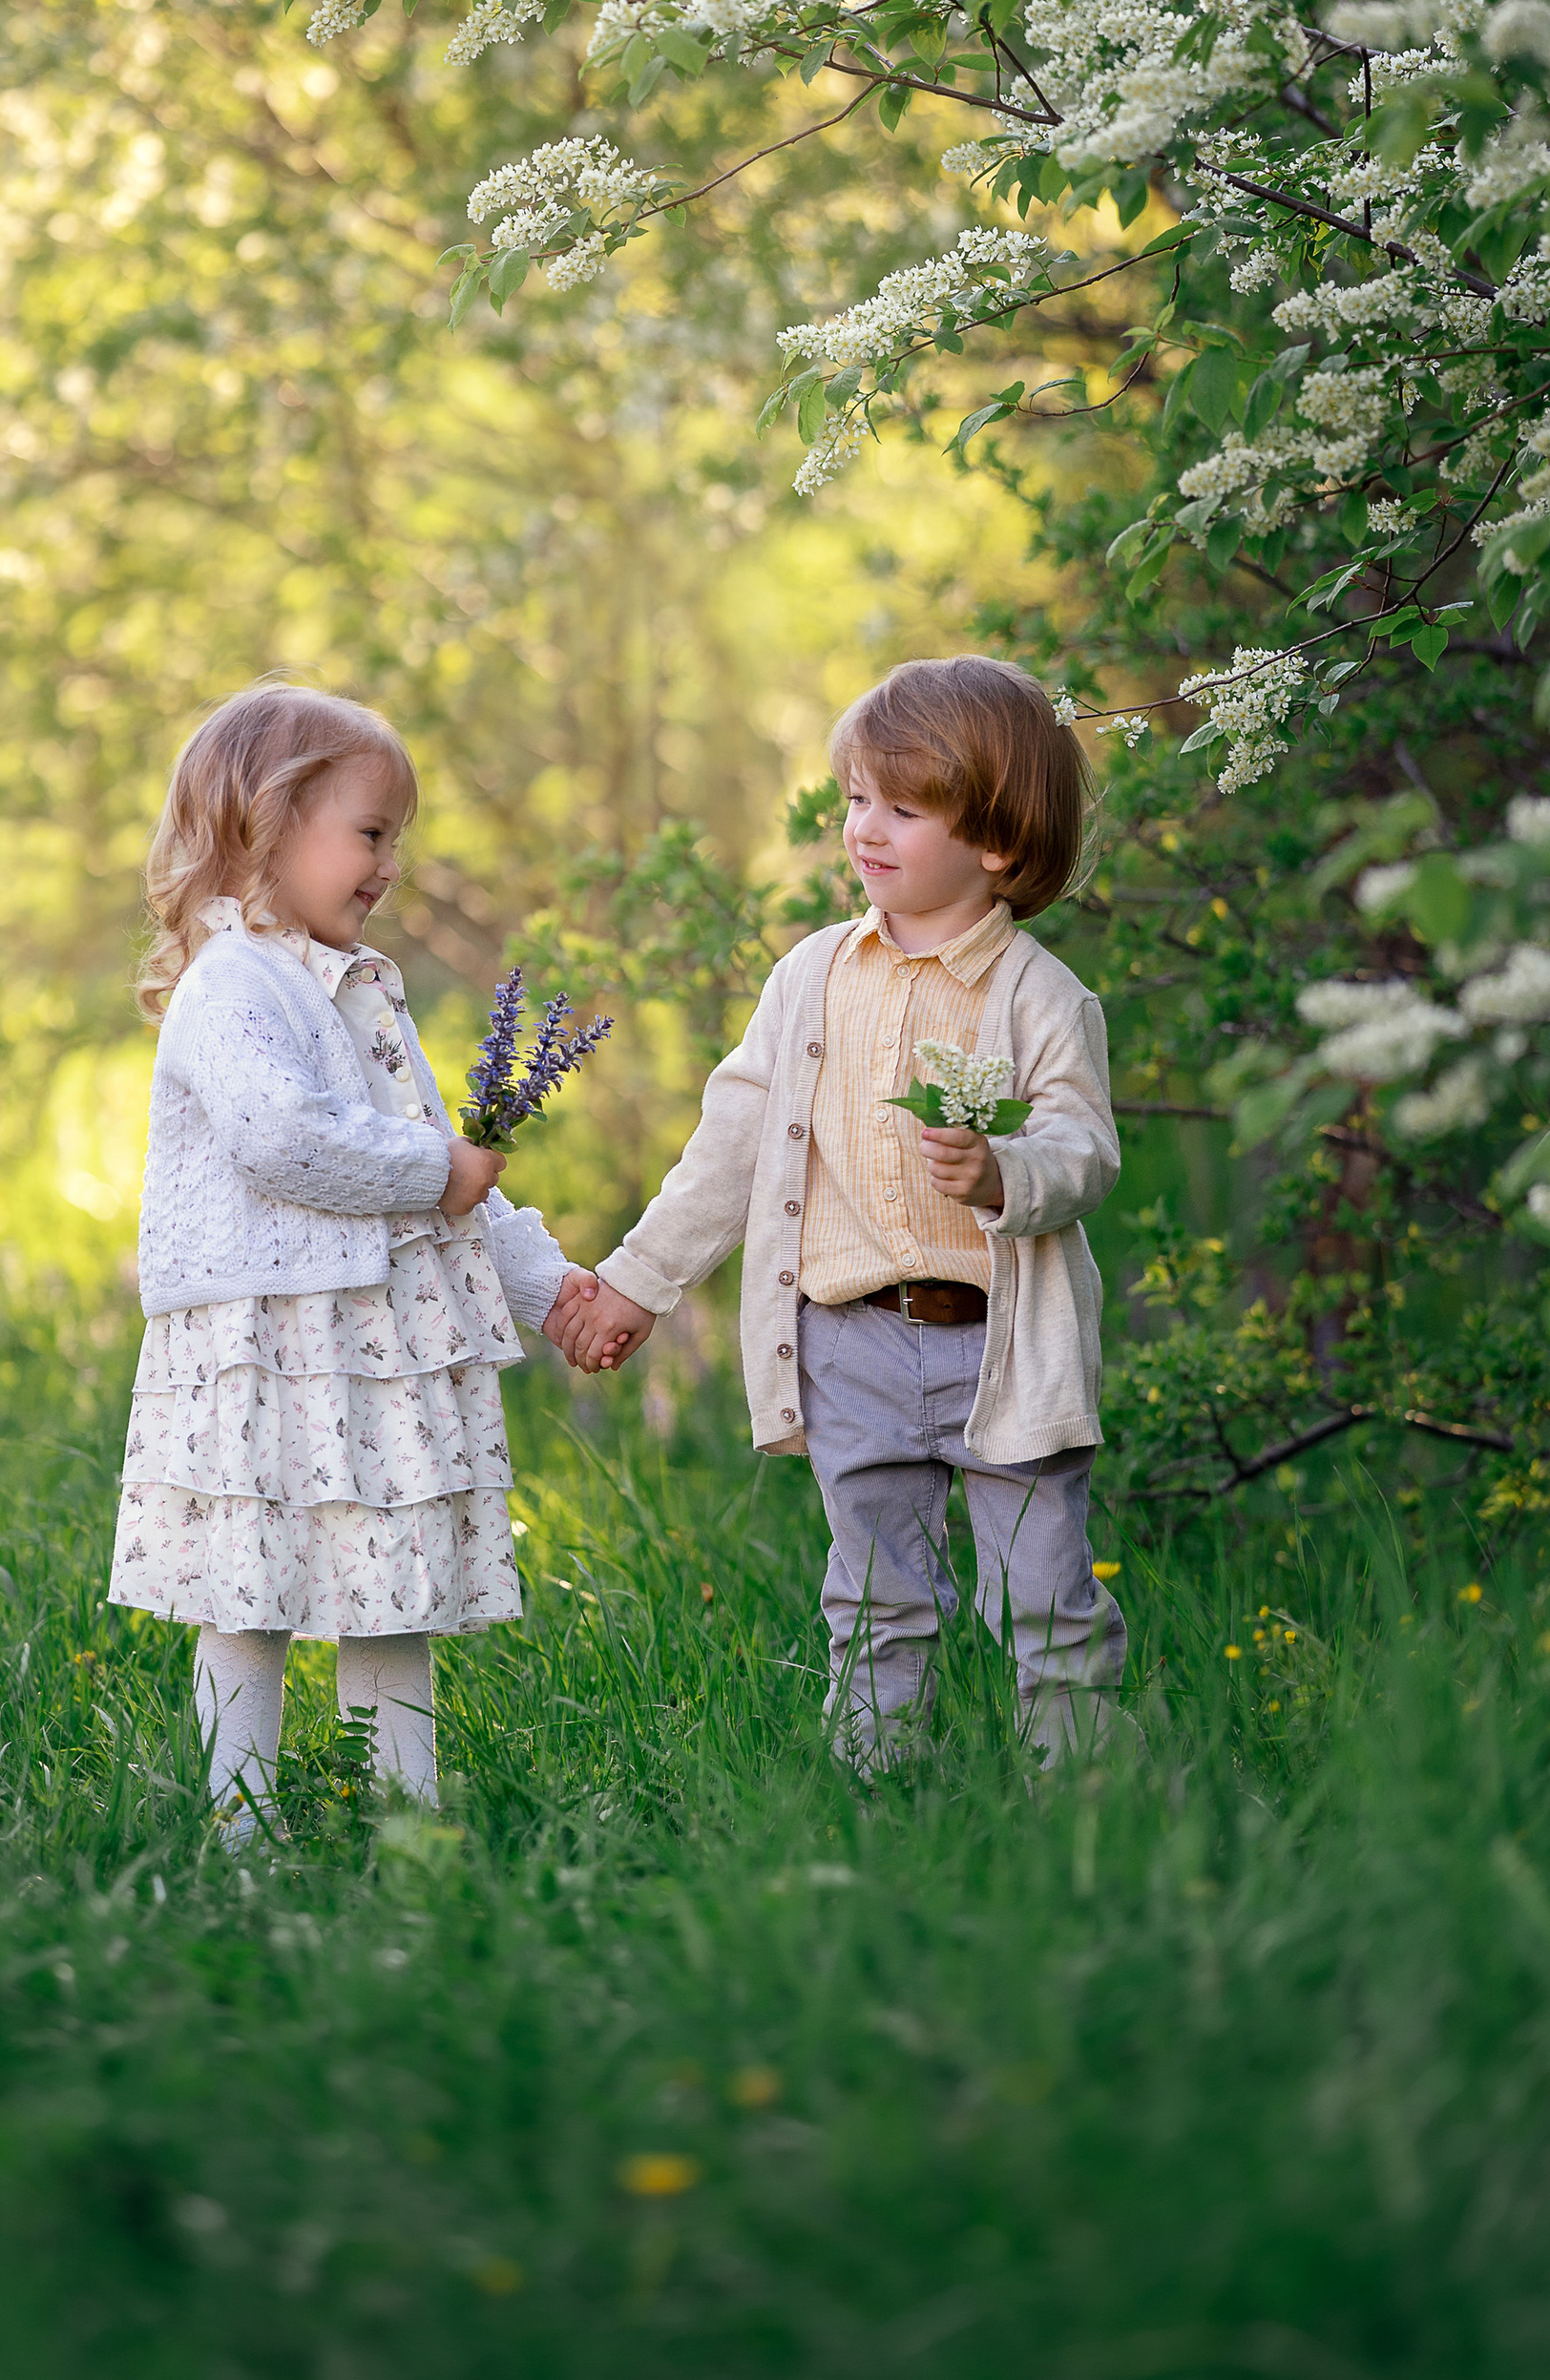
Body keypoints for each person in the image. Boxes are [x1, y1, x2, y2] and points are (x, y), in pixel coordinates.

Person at [551, 658, 1122, 1766]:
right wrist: (637, 1280)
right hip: (850, 1341)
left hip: (1001, 1343)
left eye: (902, 808)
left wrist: (1006, 1172)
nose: (864, 826)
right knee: (872, 1602)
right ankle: (876, 1792)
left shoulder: (1040, 995)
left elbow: (1084, 1148)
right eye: (858, 797)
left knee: (1045, 1596)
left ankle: (1086, 1802)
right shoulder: (810, 977)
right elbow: (732, 1145)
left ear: (997, 843)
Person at [111, 684, 597, 1837]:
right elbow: (282, 1139)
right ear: (267, 824)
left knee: (393, 1585)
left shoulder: (365, 989)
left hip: (366, 1347)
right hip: (263, 1343)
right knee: (249, 1590)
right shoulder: (230, 988)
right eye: (371, 833)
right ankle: (242, 1826)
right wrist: (436, 1170)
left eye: (397, 839)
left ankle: (404, 1817)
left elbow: (450, 1184)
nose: (389, 865)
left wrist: (553, 1290)